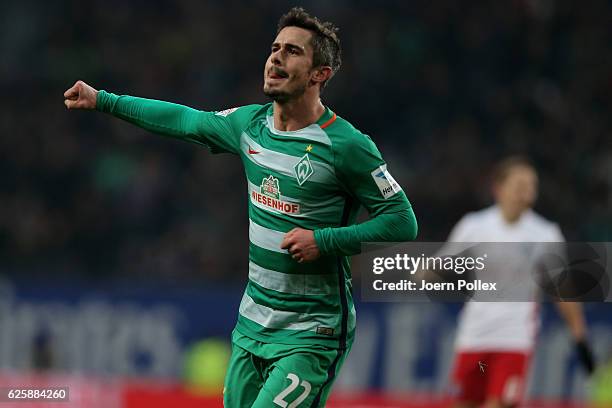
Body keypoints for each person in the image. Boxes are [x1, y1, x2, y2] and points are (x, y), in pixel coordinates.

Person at [63, 7, 417, 407]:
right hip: (252, 324)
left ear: (320, 74)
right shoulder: (251, 125)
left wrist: (325, 239)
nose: (276, 58)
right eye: (274, 48)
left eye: (293, 51)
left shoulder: (348, 146)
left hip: (311, 332)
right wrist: (103, 100)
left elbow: (403, 221)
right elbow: (185, 120)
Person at [446, 156, 594, 408]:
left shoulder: (544, 233)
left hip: (514, 339)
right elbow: (443, 265)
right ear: (498, 189)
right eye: (520, 185)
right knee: (466, 403)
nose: (527, 193)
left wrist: (579, 334)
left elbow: (562, 289)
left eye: (531, 186)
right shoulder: (473, 226)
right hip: (474, 338)